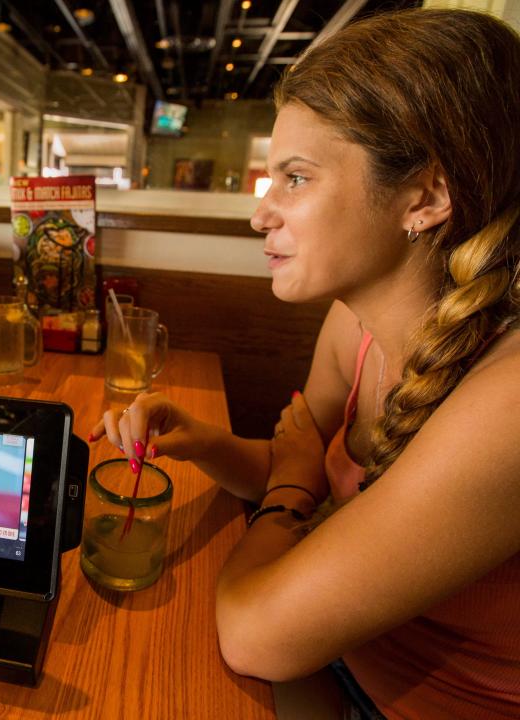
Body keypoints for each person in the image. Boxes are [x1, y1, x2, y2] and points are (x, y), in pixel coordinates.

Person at [92, 9, 520, 719]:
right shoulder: (352, 321)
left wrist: (291, 486)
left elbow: (258, 633)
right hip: (335, 655)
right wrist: (208, 444)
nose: (262, 214)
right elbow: (299, 462)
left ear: (427, 196)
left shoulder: (505, 400)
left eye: (296, 178)